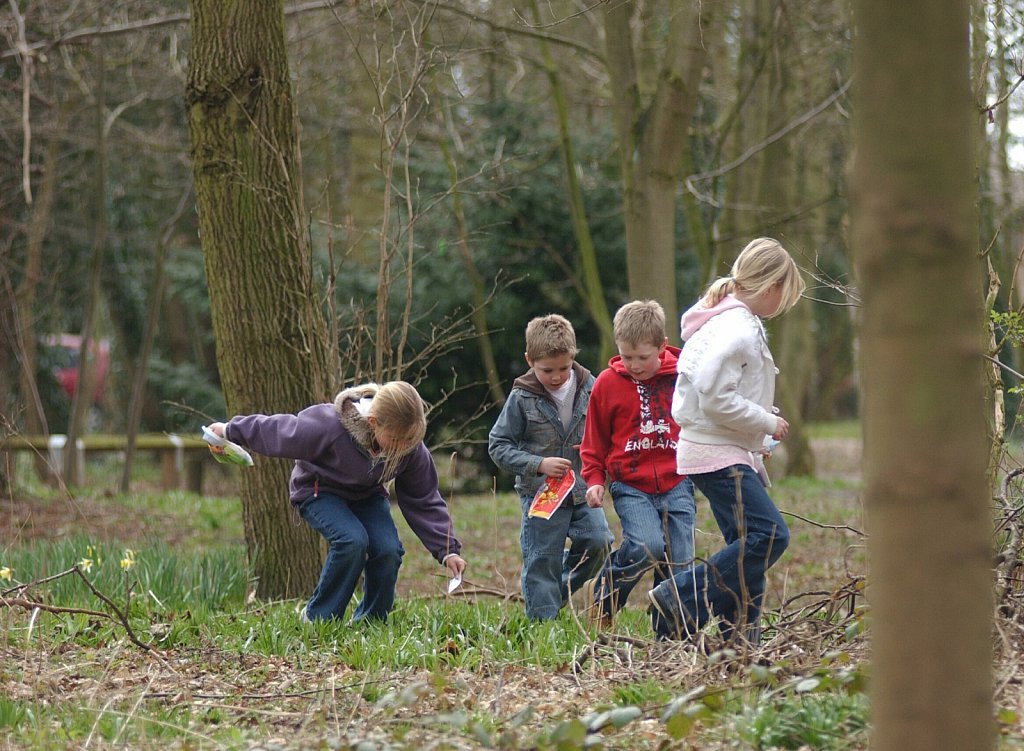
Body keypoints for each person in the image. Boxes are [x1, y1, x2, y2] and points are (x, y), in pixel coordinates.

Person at [648, 237, 805, 646]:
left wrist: (756, 437)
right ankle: (679, 598)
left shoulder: (723, 319)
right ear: (771, 287)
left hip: (719, 447)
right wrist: (767, 421)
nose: (783, 306)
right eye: (784, 296)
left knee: (744, 547)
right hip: (713, 451)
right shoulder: (737, 328)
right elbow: (715, 397)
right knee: (769, 536)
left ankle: (740, 639)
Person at [206, 381, 467, 624]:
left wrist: (447, 549)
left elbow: (423, 497)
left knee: (388, 550)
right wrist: (230, 430)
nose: (403, 447)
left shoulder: (408, 447)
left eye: (410, 440)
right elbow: (280, 431)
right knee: (352, 540)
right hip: (320, 492)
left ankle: (371, 622)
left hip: (367, 497)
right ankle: (318, 619)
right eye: (398, 440)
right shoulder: (330, 425)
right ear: (374, 422)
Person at [578, 300, 696, 629]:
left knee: (680, 560)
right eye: (626, 357)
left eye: (643, 357)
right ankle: (605, 596)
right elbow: (593, 441)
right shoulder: (607, 383)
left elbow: (704, 420)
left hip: (678, 480)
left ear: (662, 346)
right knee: (647, 547)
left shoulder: (684, 377)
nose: (634, 365)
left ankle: (671, 631)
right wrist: (595, 480)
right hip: (630, 484)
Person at [488, 314, 613, 620]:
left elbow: (608, 432)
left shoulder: (592, 387)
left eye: (563, 368)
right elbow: (498, 446)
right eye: (547, 370)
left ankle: (554, 592)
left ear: (573, 357)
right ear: (529, 361)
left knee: (599, 542)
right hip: (541, 495)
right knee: (541, 557)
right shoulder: (521, 397)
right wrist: (538, 463)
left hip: (583, 490)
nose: (556, 376)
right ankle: (543, 627)